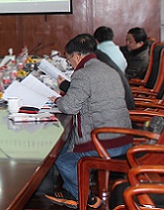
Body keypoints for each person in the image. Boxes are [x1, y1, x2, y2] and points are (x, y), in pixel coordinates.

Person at [45, 34, 132, 209]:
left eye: (69, 60)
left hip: (104, 141)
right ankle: (72, 192)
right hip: (123, 137)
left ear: (77, 56)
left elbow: (69, 107)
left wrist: (57, 100)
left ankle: (85, 198)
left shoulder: (83, 74)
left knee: (61, 158)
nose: (70, 64)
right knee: (67, 145)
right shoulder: (108, 69)